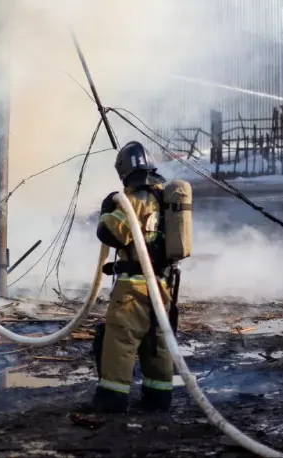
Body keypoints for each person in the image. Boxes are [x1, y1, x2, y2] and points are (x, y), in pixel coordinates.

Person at [87, 141, 176, 414]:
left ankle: (111, 400)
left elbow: (112, 234)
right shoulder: (162, 197)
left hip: (133, 287)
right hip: (162, 284)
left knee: (120, 339)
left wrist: (106, 211)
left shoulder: (136, 199)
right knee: (156, 342)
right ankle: (158, 397)